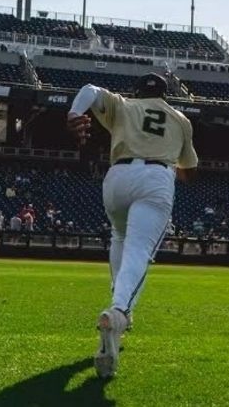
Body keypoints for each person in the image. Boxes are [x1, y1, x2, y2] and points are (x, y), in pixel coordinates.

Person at [66, 73, 198, 379]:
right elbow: (189, 171)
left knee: (120, 237)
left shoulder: (124, 105)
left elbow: (89, 89)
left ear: (136, 91)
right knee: (138, 250)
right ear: (165, 94)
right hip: (156, 177)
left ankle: (122, 307)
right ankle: (119, 313)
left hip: (118, 177)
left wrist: (74, 114)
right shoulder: (180, 119)